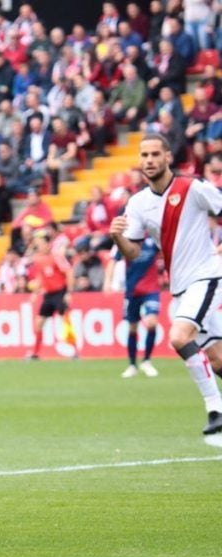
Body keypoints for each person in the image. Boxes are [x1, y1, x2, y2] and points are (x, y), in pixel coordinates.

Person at [110, 133, 222, 435]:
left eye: (155, 154)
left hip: (207, 276)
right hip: (181, 287)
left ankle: (215, 408)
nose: (149, 160)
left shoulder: (193, 188)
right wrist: (118, 237)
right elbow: (132, 252)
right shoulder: (138, 203)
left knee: (179, 336)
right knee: (217, 358)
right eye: (144, 155)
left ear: (168, 157)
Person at [106, 236, 162, 378]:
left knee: (151, 323)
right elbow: (113, 261)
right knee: (132, 327)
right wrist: (108, 282)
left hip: (151, 290)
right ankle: (132, 365)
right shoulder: (125, 242)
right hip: (132, 291)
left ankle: (147, 361)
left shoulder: (152, 240)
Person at [24, 229, 78, 360]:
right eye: (37, 244)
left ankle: (73, 350)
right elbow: (40, 277)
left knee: (65, 321)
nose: (39, 246)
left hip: (60, 293)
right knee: (39, 323)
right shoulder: (38, 259)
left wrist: (68, 292)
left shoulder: (57, 257)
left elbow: (69, 273)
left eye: (41, 243)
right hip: (48, 295)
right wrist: (35, 292)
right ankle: (35, 353)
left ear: (48, 244)